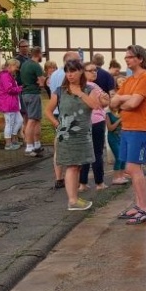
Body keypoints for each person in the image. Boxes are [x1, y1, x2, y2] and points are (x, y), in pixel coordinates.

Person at [45, 59, 109, 211]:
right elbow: (48, 111)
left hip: (83, 134)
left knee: (78, 166)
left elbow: (95, 105)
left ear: (80, 71)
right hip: (66, 134)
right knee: (72, 166)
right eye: (67, 72)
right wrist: (57, 125)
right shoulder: (60, 91)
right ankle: (72, 200)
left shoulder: (88, 89)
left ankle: (74, 197)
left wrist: (80, 93)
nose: (69, 75)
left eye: (72, 71)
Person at [109, 45, 146, 225]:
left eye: (129, 57)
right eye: (126, 57)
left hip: (140, 128)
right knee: (130, 169)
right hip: (127, 128)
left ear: (140, 59)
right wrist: (122, 100)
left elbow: (135, 103)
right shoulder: (128, 80)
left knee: (134, 168)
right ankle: (138, 205)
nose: (126, 60)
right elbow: (113, 102)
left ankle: (144, 208)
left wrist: (121, 101)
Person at [48, 51, 80, 189]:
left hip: (55, 112)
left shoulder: (54, 74)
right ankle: (72, 177)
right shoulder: (67, 75)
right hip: (65, 113)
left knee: (58, 146)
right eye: (77, 60)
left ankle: (58, 177)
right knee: (71, 146)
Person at [78, 63, 109, 192]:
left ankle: (82, 183)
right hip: (96, 121)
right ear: (83, 72)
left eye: (95, 70)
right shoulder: (93, 87)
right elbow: (104, 102)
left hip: (84, 122)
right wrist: (106, 98)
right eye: (90, 70)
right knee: (97, 152)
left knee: (85, 152)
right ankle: (99, 182)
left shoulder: (80, 87)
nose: (94, 72)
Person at [20, 46, 46, 157]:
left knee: (36, 119)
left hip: (25, 93)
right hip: (33, 94)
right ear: (39, 54)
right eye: (41, 55)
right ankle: (29, 147)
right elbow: (42, 83)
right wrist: (42, 81)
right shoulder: (36, 66)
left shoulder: (25, 64)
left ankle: (37, 144)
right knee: (31, 120)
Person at [0, 59, 23, 150]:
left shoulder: (8, 75)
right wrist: (21, 88)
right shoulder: (6, 76)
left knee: (19, 120)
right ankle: (8, 143)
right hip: (7, 103)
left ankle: (13, 138)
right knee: (9, 123)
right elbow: (9, 89)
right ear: (10, 66)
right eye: (16, 67)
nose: (17, 69)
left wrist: (18, 88)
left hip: (11, 102)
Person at [106, 105, 127, 185]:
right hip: (113, 138)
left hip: (121, 137)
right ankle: (115, 177)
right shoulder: (108, 115)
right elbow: (110, 128)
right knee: (119, 157)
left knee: (124, 157)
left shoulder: (121, 113)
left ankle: (121, 175)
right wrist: (119, 120)